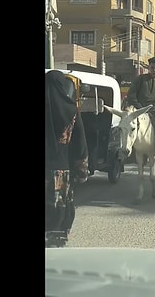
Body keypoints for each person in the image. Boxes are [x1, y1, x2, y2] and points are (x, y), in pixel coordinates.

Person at [45, 70, 89, 246]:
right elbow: (80, 145)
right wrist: (82, 171)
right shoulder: (71, 111)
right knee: (59, 207)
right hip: (60, 172)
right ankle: (56, 241)